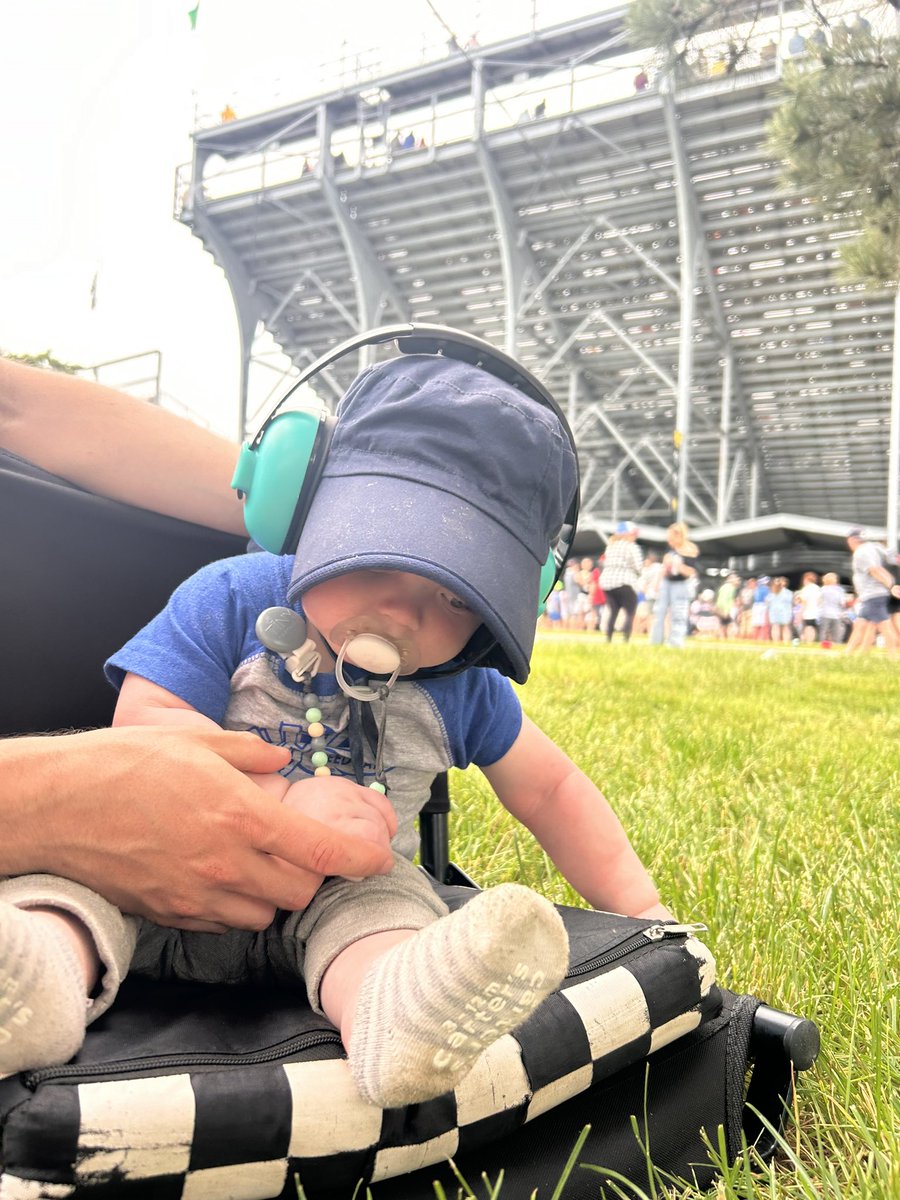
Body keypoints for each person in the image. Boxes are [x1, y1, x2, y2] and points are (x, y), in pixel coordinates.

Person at [1, 354, 671, 1109]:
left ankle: (396, 1014)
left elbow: (551, 788)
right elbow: (144, 730)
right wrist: (277, 804)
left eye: (456, 595)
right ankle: (33, 979)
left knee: (389, 909)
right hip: (151, 875)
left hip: (339, 900)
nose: (405, 611)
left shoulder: (462, 685)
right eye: (381, 554)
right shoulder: (231, 599)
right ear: (307, 511)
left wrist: (642, 914)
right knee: (66, 893)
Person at [0, 361, 394, 931]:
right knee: (68, 919)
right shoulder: (226, 595)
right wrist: (47, 807)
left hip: (303, 896)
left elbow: (17, 407)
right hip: (79, 890)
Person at [844, 527, 899, 655]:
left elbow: (875, 570)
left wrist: (891, 586)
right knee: (863, 625)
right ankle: (853, 654)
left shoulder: (861, 552)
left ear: (852, 540)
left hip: (873, 594)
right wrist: (892, 584)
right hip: (874, 594)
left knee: (885, 626)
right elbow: (890, 561)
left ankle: (893, 656)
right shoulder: (875, 548)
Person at [649, 522, 700, 647]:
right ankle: (656, 642)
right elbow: (663, 568)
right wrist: (657, 583)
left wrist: (677, 565)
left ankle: (675, 643)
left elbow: (691, 572)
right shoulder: (670, 550)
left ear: (679, 535)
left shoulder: (691, 550)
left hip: (681, 585)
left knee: (679, 614)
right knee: (659, 612)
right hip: (666, 584)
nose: (669, 541)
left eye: (671, 538)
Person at [599, 521, 643, 643]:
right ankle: (626, 638)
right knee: (630, 611)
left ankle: (608, 638)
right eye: (633, 534)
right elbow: (638, 566)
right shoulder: (632, 547)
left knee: (613, 611)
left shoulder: (610, 546)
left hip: (607, 582)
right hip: (625, 581)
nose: (635, 537)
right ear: (626, 534)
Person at [817, 572, 848, 648]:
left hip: (824, 613)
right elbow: (842, 603)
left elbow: (818, 602)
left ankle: (822, 645)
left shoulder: (822, 589)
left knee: (823, 631)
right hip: (836, 614)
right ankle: (836, 645)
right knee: (836, 633)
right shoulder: (840, 590)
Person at [765, 577, 794, 643]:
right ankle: (783, 642)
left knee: (779, 627)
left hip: (779, 611)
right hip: (783, 611)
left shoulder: (773, 592)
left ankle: (779, 642)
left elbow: (767, 601)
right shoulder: (788, 592)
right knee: (782, 627)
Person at [796, 572, 821, 643]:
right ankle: (812, 640)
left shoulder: (806, 589)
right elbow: (820, 601)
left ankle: (809, 641)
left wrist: (800, 612)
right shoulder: (817, 588)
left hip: (808, 611)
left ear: (806, 579)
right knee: (813, 627)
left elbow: (804, 601)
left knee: (808, 627)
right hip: (816, 611)